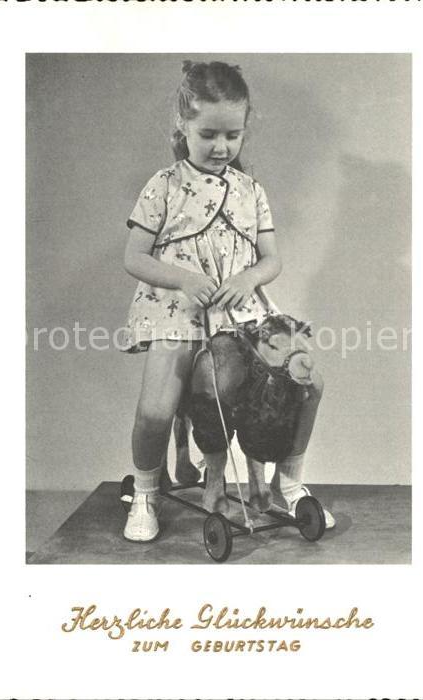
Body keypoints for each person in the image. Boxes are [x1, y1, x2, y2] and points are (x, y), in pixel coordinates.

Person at [122, 60, 334, 542]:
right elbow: (134, 257)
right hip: (177, 313)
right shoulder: (163, 185)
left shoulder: (251, 190)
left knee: (306, 384)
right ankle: (146, 492)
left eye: (232, 135)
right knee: (156, 411)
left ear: (244, 129)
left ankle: (288, 483)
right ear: (183, 126)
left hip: (243, 314)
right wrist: (181, 278)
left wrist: (249, 277)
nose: (221, 147)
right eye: (208, 134)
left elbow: (271, 258)